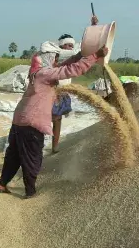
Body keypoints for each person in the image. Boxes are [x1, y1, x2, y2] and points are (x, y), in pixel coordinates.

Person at [0, 16, 107, 199]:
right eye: (54, 58)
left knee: (14, 154)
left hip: (19, 121)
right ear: (47, 58)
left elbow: (67, 64)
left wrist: (82, 54)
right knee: (33, 158)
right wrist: (96, 56)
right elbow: (71, 70)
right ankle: (30, 192)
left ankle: (2, 183)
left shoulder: (38, 72)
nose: (56, 60)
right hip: (31, 122)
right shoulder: (44, 73)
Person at [40, 16, 99, 153]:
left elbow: (82, 50)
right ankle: (39, 147)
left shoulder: (68, 54)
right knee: (44, 120)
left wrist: (93, 28)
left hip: (62, 92)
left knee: (57, 119)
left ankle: (55, 147)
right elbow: (79, 52)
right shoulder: (57, 55)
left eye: (72, 45)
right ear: (61, 46)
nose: (71, 47)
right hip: (50, 92)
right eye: (68, 45)